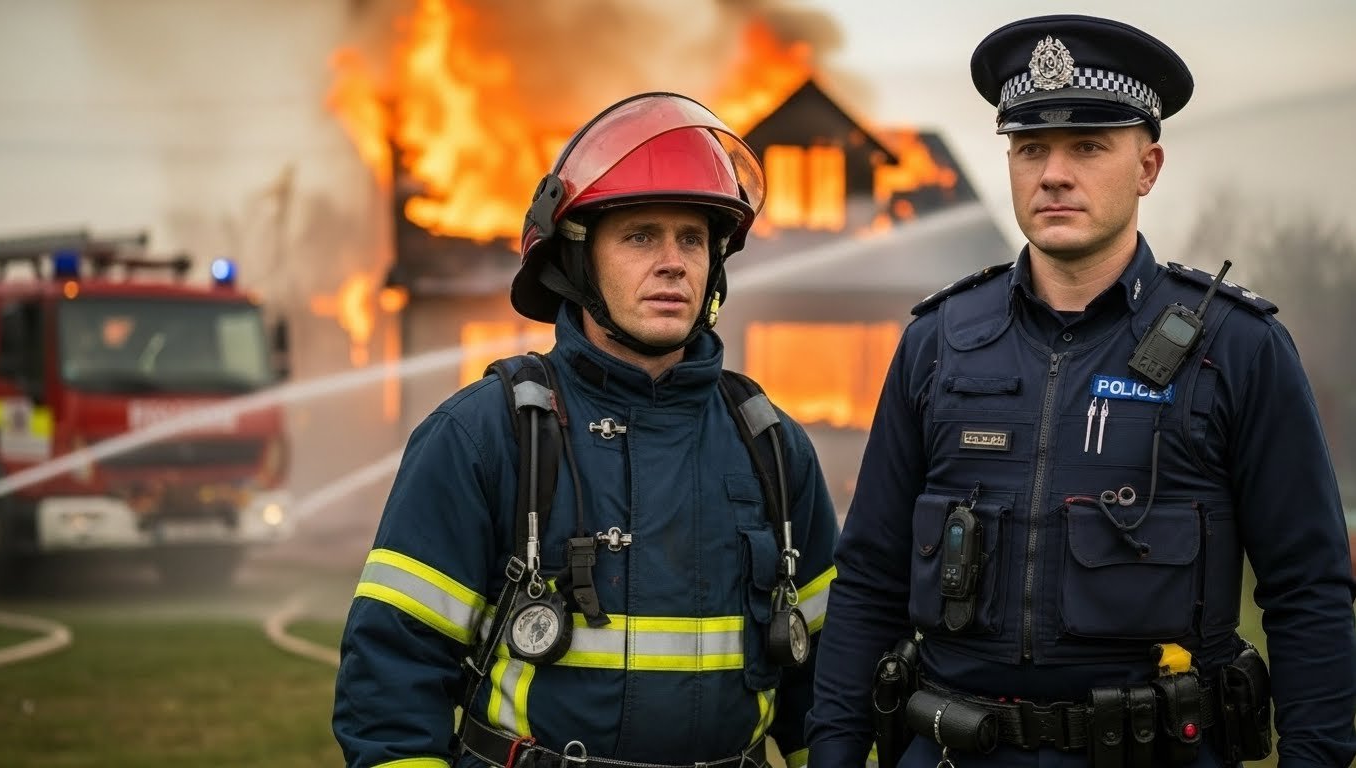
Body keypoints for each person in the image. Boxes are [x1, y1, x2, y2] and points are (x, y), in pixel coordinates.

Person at [806, 14, 1356, 768]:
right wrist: (834, 756)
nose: (1052, 173)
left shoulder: (1236, 348)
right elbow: (868, 578)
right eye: (1029, 148)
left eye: (1087, 147)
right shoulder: (934, 341)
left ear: (1147, 167)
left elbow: (1307, 590)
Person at [333, 92, 839, 768]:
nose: (673, 262)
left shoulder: (770, 447)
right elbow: (389, 687)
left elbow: (831, 692)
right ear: (574, 259)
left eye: (691, 238)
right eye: (639, 236)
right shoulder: (486, 435)